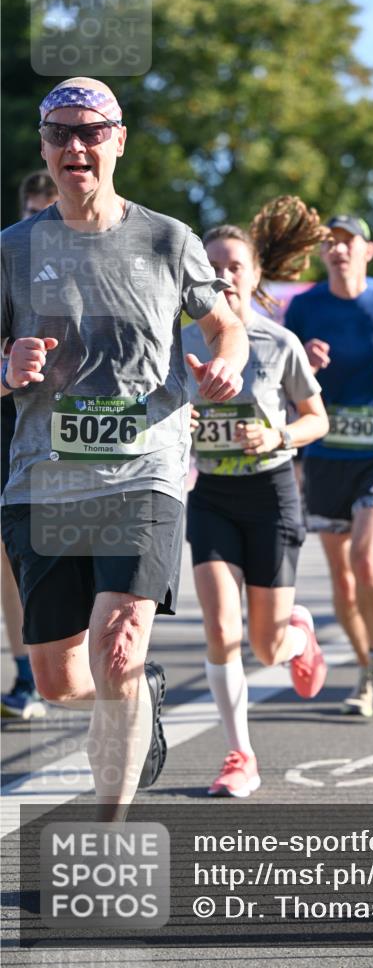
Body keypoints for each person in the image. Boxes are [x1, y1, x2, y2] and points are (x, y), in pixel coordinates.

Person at [0, 77, 248, 819]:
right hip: (43, 479)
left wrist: (228, 360)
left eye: (92, 132)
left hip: (144, 469)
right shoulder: (12, 249)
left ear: (119, 140)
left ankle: (109, 833)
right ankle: (142, 692)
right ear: (45, 148)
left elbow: (223, 324)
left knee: (117, 643)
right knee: (60, 681)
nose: (76, 146)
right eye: (61, 134)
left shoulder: (167, 239)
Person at [183, 197, 329, 798]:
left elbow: (316, 417)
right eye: (212, 265)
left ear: (255, 274)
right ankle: (240, 754)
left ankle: (299, 634)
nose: (224, 275)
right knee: (221, 629)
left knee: (267, 649)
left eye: (235, 265)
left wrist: (276, 434)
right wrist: (180, 424)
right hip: (212, 493)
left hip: (270, 493)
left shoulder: (279, 342)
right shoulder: (184, 339)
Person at [284, 215, 373, 717]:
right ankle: (368, 668)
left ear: (368, 250)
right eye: (331, 242)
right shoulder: (304, 305)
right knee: (343, 578)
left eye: (348, 242)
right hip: (325, 452)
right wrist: (302, 360)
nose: (338, 249)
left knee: (368, 558)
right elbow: (284, 371)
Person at [1, 169, 58, 720]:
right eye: (33, 212)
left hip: (69, 430)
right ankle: (24, 674)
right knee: (8, 553)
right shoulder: (7, 262)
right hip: (7, 424)